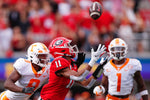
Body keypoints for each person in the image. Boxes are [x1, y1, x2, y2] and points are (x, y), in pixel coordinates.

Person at [40, 37, 106, 100]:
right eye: (68, 45)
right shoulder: (59, 61)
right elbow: (79, 77)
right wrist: (93, 61)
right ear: (62, 49)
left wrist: (100, 68)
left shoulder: (72, 64)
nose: (71, 47)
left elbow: (87, 84)